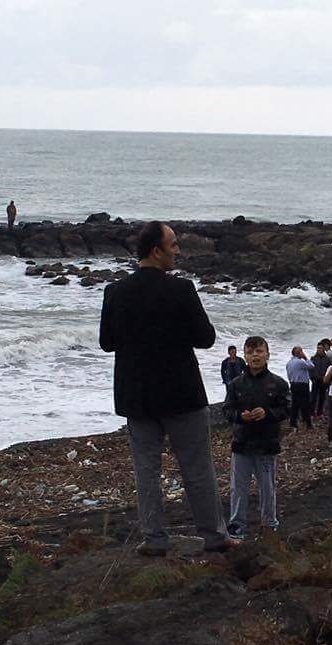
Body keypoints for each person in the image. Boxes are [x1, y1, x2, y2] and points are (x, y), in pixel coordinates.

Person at [99, 221, 233, 556]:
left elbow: (106, 343)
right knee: (197, 468)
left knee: (146, 471)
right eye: (173, 245)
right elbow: (206, 339)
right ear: (156, 251)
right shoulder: (181, 290)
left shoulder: (115, 292)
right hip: (181, 393)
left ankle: (155, 538)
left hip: (136, 396)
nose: (178, 250)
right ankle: (214, 536)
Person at [223, 336, 290, 541]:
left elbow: (287, 408)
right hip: (241, 442)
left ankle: (269, 523)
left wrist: (268, 413)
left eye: (259, 351)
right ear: (245, 356)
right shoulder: (236, 384)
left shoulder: (278, 383)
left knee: (267, 487)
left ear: (267, 354)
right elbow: (227, 409)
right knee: (238, 488)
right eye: (251, 352)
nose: (255, 355)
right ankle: (237, 525)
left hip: (267, 443)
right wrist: (239, 416)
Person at [285, 346, 315, 430]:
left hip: (293, 384)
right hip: (302, 384)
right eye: (301, 351)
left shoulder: (289, 363)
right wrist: (305, 358)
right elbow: (312, 366)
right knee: (305, 403)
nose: (303, 353)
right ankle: (308, 423)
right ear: (298, 353)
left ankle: (293, 422)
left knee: (295, 404)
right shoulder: (300, 362)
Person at [310, 341, 332, 417]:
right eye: (318, 348)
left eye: (320, 348)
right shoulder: (313, 358)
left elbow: (329, 369)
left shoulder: (327, 359)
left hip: (323, 380)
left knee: (322, 398)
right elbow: (310, 369)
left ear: (323, 349)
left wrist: (327, 380)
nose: (319, 349)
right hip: (315, 380)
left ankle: (320, 412)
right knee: (313, 397)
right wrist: (312, 377)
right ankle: (312, 412)